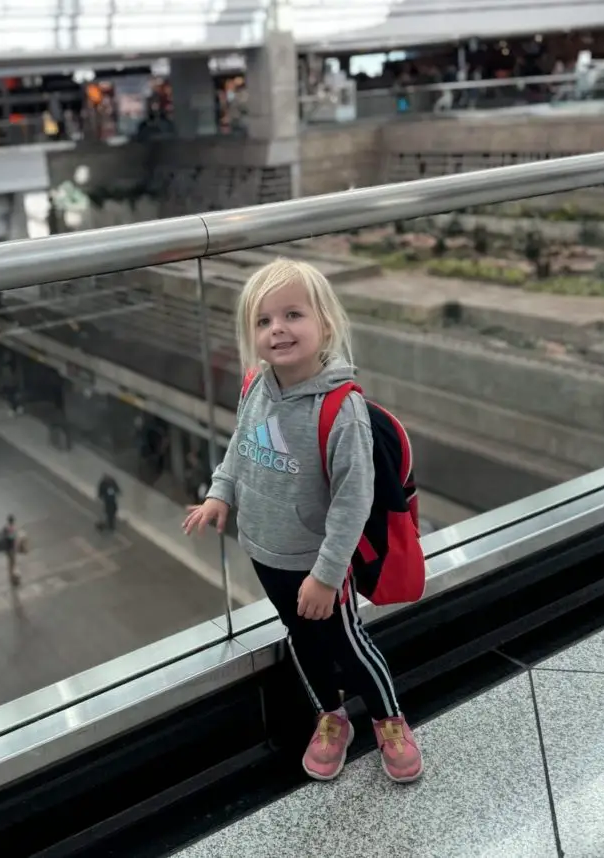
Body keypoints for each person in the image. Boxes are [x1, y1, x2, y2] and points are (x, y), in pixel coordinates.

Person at [182, 258, 423, 785]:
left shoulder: (342, 410)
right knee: (302, 638)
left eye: (293, 314)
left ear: (326, 325)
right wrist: (221, 493)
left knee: (349, 645)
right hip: (267, 552)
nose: (278, 330)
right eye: (264, 321)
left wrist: (328, 574)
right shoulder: (255, 386)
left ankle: (389, 720)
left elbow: (352, 503)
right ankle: (332, 718)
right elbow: (242, 447)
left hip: (319, 563)